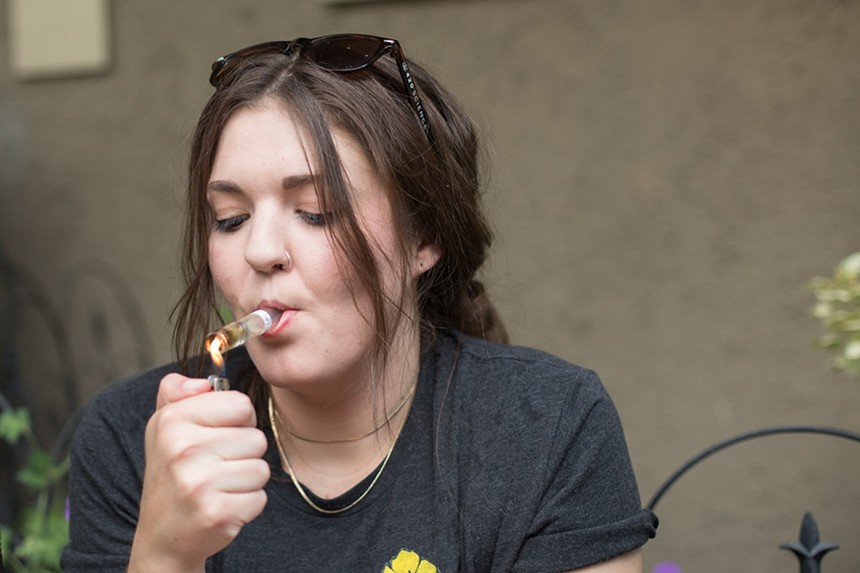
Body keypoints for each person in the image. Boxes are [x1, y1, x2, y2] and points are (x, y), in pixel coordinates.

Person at [62, 34, 657, 572]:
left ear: (423, 237)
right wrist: (165, 554)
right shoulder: (131, 437)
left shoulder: (549, 426)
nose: (260, 250)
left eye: (317, 211)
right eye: (231, 218)